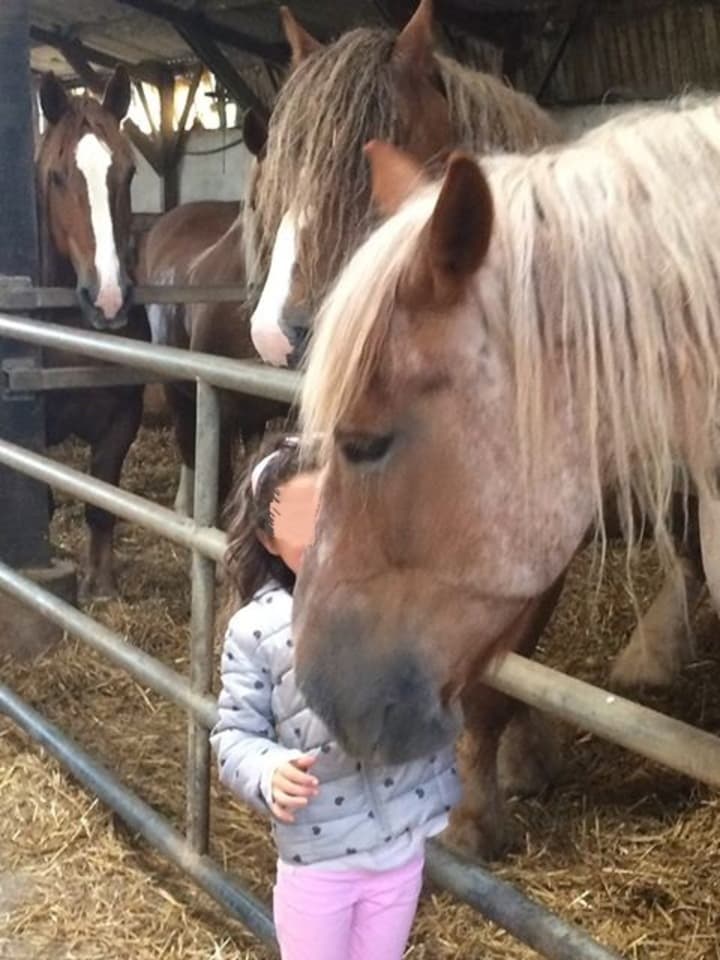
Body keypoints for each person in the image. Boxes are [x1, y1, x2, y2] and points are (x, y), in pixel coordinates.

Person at [211, 434, 461, 960]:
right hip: (320, 857)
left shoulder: (398, 600)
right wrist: (266, 769)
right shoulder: (256, 629)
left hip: (399, 848)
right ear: (267, 535)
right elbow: (235, 734)